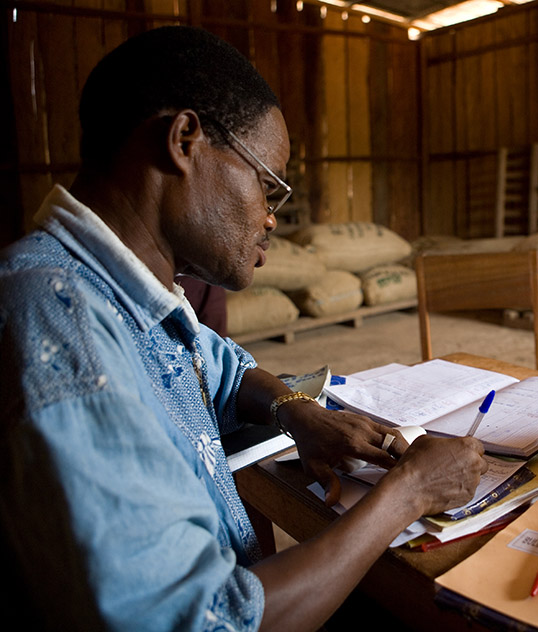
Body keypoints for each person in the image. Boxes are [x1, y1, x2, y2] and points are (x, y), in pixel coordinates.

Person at [0, 26, 488, 631]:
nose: (270, 217)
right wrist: (410, 493)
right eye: (267, 184)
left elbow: (223, 367)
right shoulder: (62, 328)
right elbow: (209, 621)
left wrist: (296, 411)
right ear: (185, 141)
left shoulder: (117, 292)